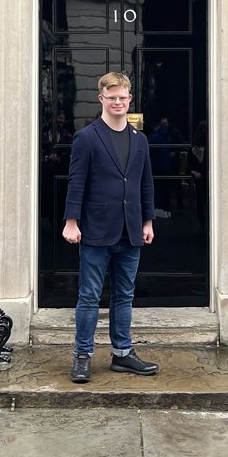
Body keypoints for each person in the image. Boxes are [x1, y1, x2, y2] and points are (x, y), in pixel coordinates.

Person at [62, 71, 159, 383]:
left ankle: (122, 354)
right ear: (101, 98)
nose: (118, 102)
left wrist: (147, 221)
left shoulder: (139, 140)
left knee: (124, 295)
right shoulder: (87, 137)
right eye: (112, 97)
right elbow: (76, 182)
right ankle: (82, 355)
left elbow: (145, 184)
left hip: (130, 231)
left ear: (129, 99)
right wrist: (71, 222)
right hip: (95, 231)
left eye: (123, 97)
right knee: (89, 295)